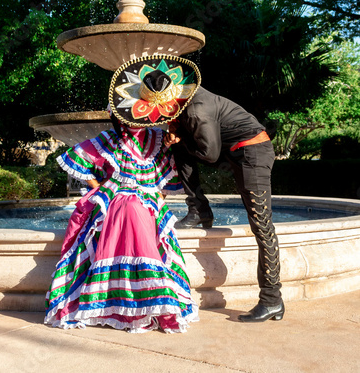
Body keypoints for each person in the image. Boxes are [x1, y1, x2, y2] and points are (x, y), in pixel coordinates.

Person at [44, 54, 201, 333]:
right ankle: (127, 301)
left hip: (148, 198)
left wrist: (158, 194)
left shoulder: (157, 138)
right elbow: (77, 159)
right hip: (117, 197)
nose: (137, 122)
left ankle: (151, 301)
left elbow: (165, 174)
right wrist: (100, 188)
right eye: (132, 116)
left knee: (140, 211)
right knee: (129, 209)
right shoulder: (109, 140)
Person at [164, 85, 284, 323]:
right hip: (236, 152)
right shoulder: (187, 103)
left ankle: (272, 300)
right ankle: (199, 210)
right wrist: (179, 136)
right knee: (181, 148)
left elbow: (209, 153)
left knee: (262, 225)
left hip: (253, 152)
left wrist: (181, 138)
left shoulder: (196, 109)